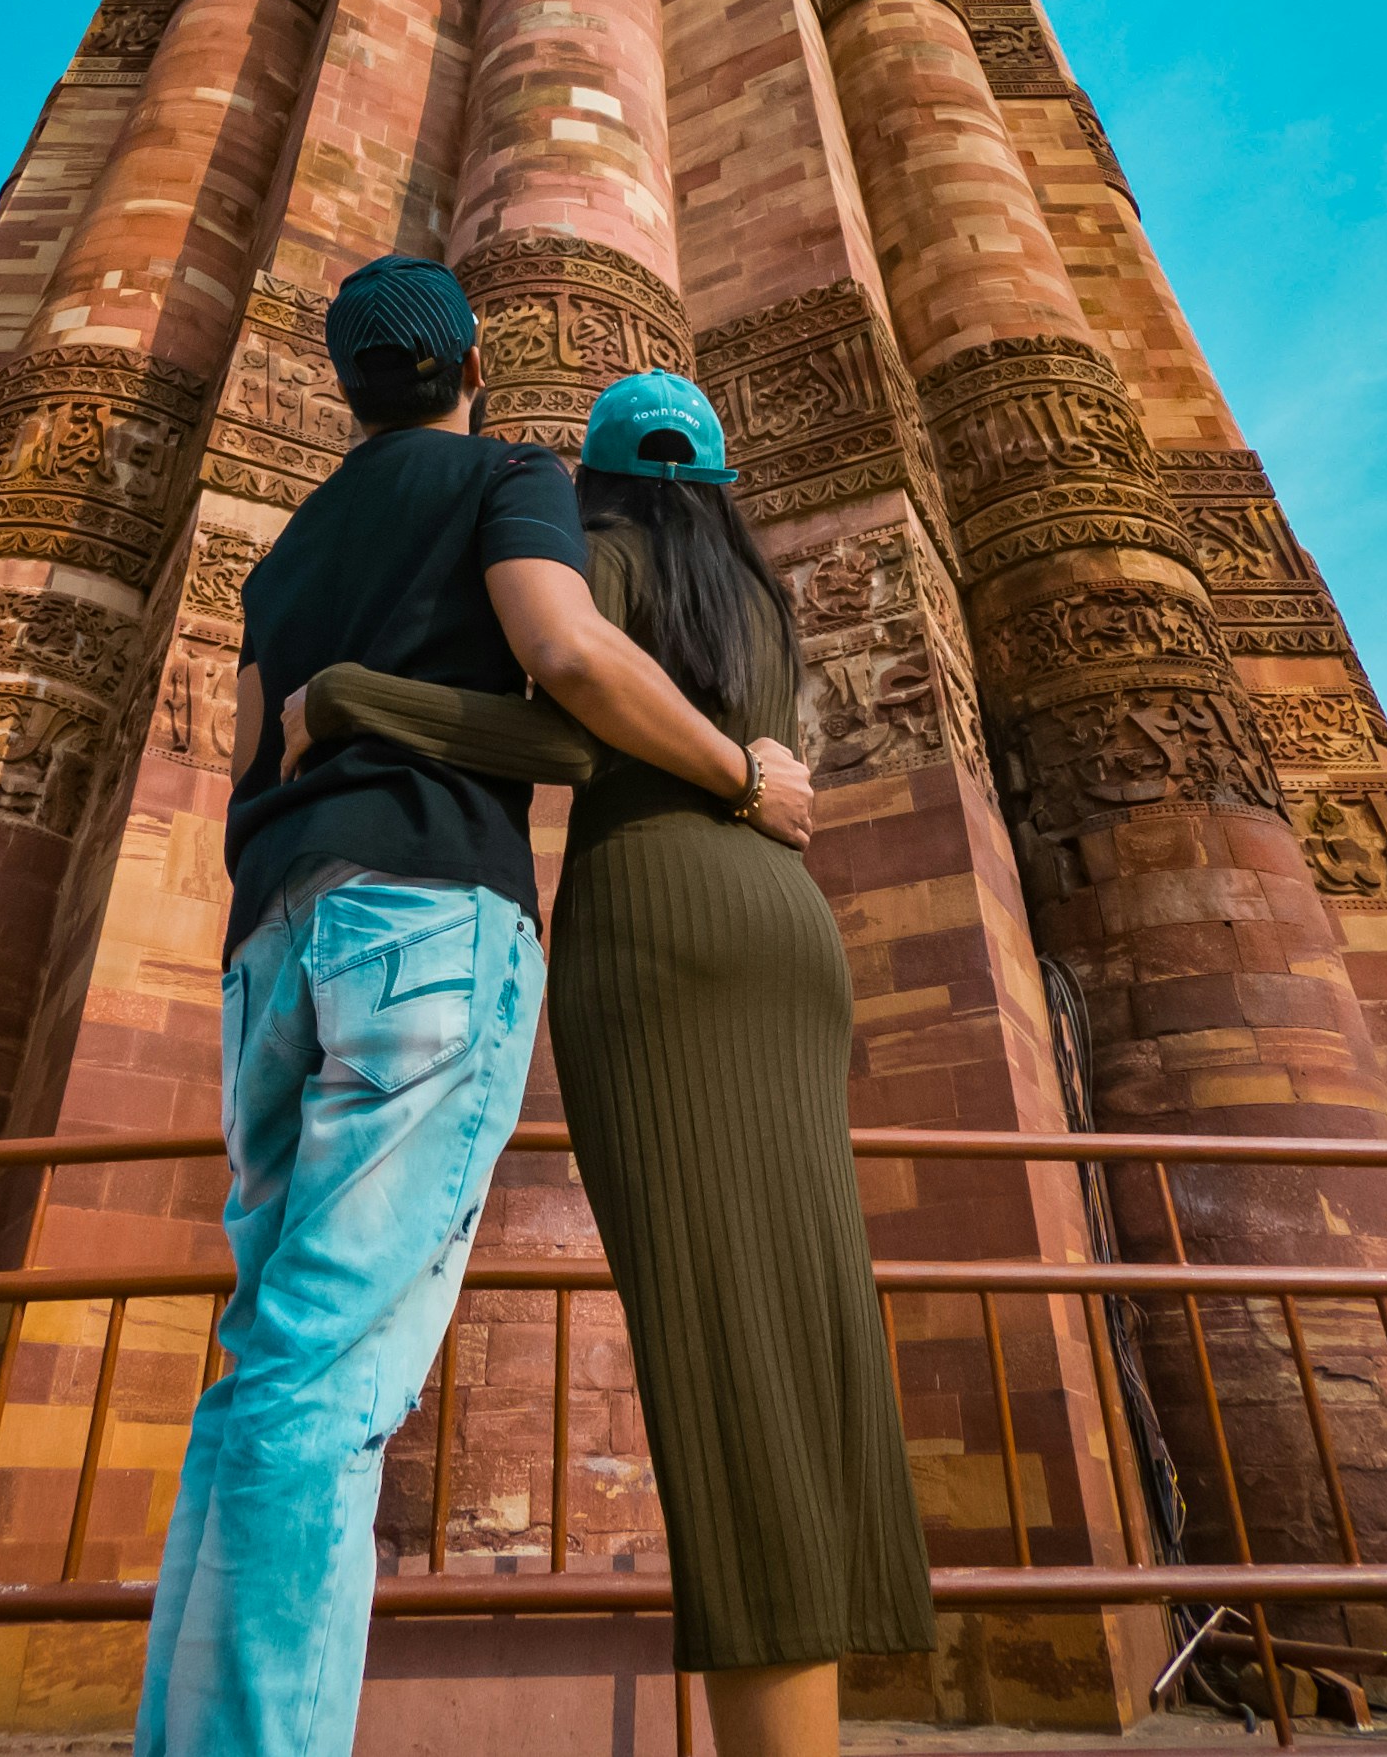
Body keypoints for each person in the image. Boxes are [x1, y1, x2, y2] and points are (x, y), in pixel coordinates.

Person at [136, 264, 816, 1757]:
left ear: (346, 383)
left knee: (263, 1363)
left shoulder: (285, 550)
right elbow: (567, 655)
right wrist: (740, 771)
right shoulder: (509, 474)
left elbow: (250, 759)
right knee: (328, 1379)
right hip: (426, 919)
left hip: (272, 935)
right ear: (475, 364)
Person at [287, 369, 936, 1757]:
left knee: (721, 1353)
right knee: (806, 1334)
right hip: (784, 934)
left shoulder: (608, 562)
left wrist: (353, 696)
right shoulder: (757, 599)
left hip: (663, 935)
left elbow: (568, 734)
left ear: (596, 477)